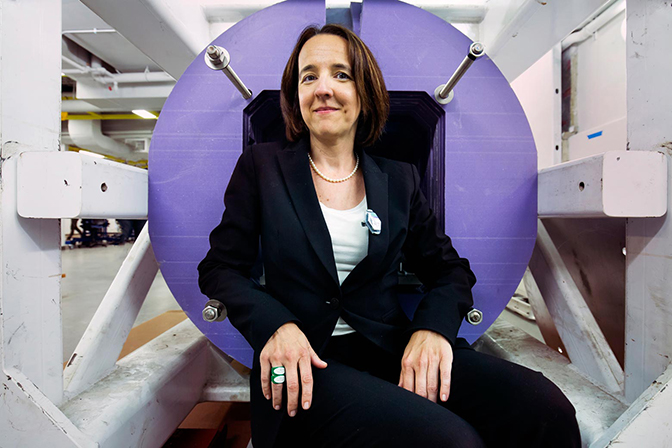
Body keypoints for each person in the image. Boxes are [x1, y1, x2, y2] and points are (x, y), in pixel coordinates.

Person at [198, 24, 580, 448]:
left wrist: (431, 330)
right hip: (305, 365)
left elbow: (450, 271)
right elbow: (220, 269)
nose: (323, 88)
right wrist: (275, 325)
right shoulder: (262, 167)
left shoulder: (398, 179)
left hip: (388, 348)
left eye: (341, 74)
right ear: (296, 98)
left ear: (365, 92)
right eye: (309, 76)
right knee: (452, 442)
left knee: (546, 409)